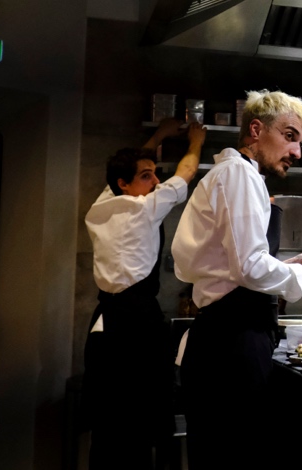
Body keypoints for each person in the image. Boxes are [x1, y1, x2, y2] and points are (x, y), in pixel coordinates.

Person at [171, 89, 302, 469]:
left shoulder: (239, 176)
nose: (297, 152)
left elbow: (236, 268)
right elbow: (248, 267)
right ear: (256, 130)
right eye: (290, 136)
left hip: (226, 341)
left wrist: (292, 263)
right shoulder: (239, 174)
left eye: (300, 142)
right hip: (231, 346)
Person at [83, 119, 205, 470]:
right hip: (134, 326)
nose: (155, 181)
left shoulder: (104, 204)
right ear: (125, 184)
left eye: (154, 174)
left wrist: (161, 135)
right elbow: (186, 172)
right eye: (146, 176)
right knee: (136, 422)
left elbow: (139, 163)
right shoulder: (143, 209)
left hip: (104, 325)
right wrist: (195, 140)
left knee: (109, 423)